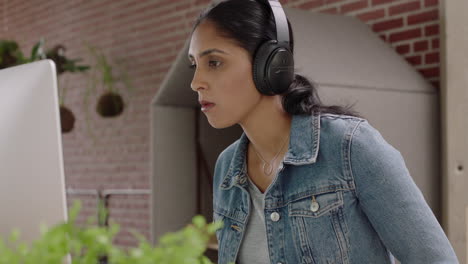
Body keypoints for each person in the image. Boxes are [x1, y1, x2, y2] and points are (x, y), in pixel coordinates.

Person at [187, 0, 459, 263]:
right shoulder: (227, 169)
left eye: (214, 62)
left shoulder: (350, 147)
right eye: (194, 65)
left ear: (270, 64)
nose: (196, 82)